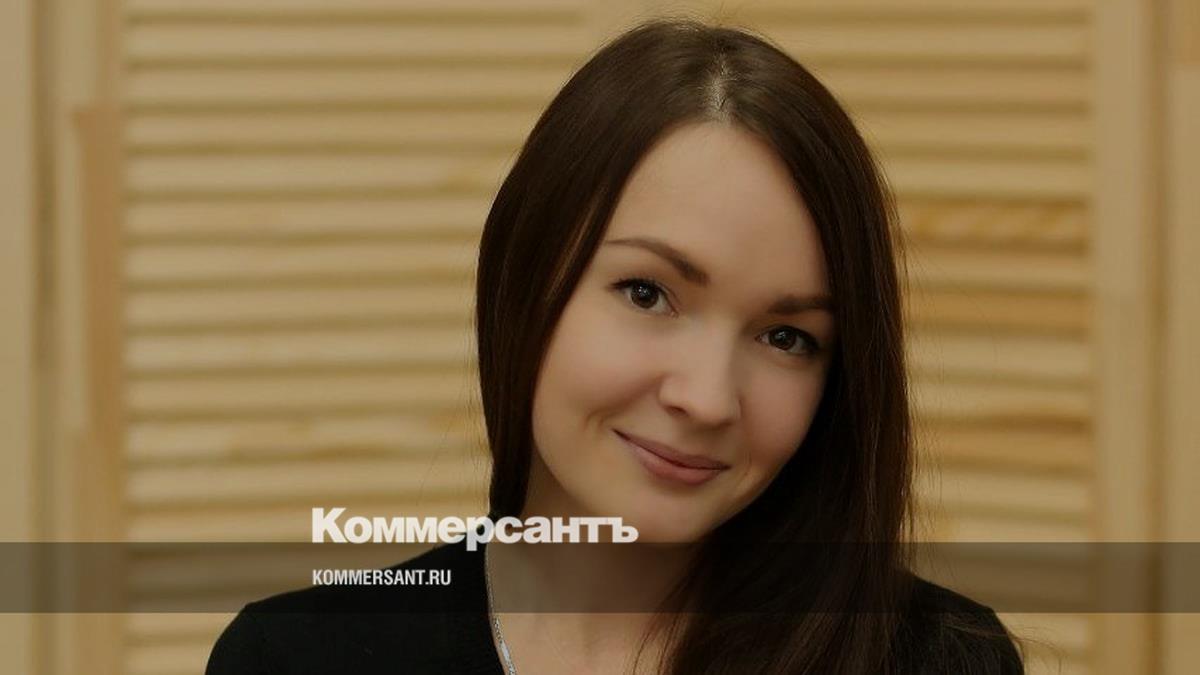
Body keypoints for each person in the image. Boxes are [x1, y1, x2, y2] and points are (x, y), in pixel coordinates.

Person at [207, 17, 1024, 674]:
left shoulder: (939, 658)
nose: (706, 397)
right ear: (525, 282)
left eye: (787, 337)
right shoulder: (298, 656)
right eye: (646, 293)